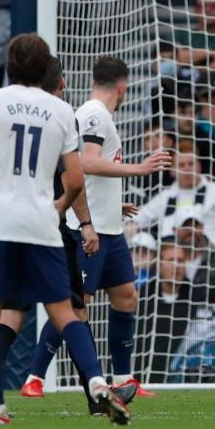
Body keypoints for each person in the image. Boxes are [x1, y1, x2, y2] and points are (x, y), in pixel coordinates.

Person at [0, 33, 129, 425]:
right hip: (41, 225)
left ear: (9, 65)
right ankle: (98, 383)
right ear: (47, 70)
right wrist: (56, 210)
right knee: (66, 312)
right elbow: (74, 180)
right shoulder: (59, 111)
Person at [21, 57, 171, 400]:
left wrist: (113, 205)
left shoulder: (98, 114)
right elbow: (85, 162)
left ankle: (124, 378)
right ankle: (35, 376)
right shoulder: (94, 113)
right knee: (76, 306)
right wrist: (139, 168)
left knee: (126, 295)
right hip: (86, 229)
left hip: (110, 227)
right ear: (123, 87)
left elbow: (87, 173)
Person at [131, 150, 215, 248]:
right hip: (169, 255)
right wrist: (131, 224)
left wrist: (209, 252)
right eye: (181, 165)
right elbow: (139, 216)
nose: (187, 169)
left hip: (208, 254)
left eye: (190, 164)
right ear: (172, 171)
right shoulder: (165, 196)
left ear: (199, 166)